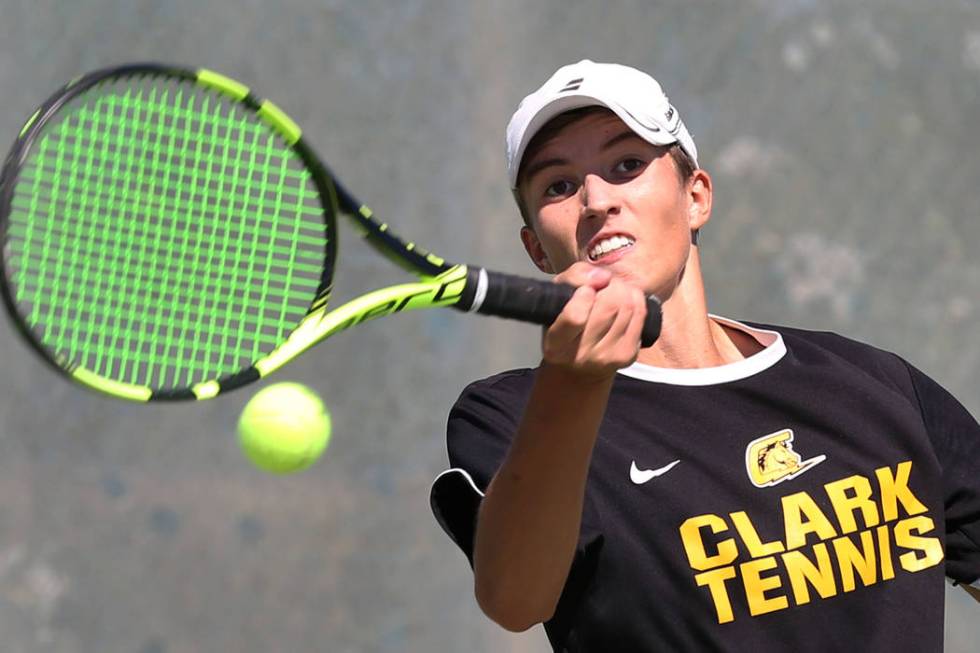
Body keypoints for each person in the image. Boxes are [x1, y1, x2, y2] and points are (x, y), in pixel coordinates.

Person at [430, 60, 980, 652]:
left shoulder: (877, 384)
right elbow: (515, 598)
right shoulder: (510, 416)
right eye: (558, 185)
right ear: (537, 248)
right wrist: (575, 380)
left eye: (626, 165)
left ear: (696, 197)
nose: (595, 200)